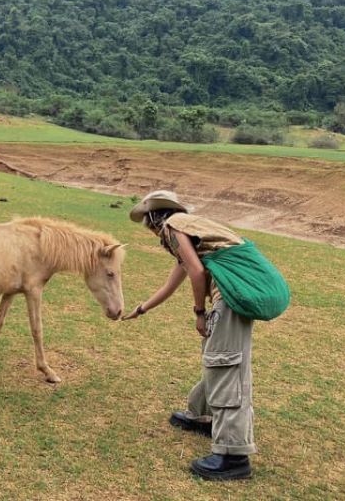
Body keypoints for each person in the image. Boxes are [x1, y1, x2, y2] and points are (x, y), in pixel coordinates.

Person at [123, 190, 255, 480]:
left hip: (229, 300)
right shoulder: (191, 230)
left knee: (226, 366)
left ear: (154, 217)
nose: (150, 231)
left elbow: (196, 273)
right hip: (231, 298)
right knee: (216, 359)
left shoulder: (174, 227)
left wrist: (199, 313)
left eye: (148, 224)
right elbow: (172, 283)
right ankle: (202, 416)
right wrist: (140, 309)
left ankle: (234, 456)